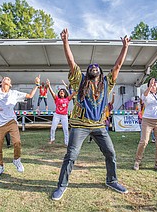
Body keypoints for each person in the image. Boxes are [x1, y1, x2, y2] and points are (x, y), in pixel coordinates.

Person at [51, 28, 131, 201]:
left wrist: (125, 47)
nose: (94, 67)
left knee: (110, 153)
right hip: (80, 125)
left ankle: (112, 180)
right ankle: (62, 186)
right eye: (91, 67)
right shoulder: (79, 80)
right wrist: (65, 42)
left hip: (99, 125)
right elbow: (72, 63)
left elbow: (117, 66)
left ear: (101, 73)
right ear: (87, 72)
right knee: (71, 155)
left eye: (97, 67)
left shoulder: (106, 83)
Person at [0, 75, 40, 180]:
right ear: (1, 83)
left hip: (11, 122)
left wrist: (37, 85)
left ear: (10, 85)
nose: (6, 78)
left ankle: (16, 160)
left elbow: (30, 96)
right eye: (5, 78)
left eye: (9, 79)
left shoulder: (14, 93)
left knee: (17, 142)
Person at [133, 77, 157, 173]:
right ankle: (137, 161)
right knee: (144, 141)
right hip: (147, 120)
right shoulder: (146, 94)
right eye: (151, 84)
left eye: (155, 84)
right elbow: (144, 97)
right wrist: (149, 87)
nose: (153, 85)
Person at [46, 79, 76, 146]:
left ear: (65, 93)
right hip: (57, 115)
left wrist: (77, 87)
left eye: (63, 91)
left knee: (65, 129)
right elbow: (52, 93)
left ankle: (66, 142)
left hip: (64, 116)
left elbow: (74, 93)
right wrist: (49, 86)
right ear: (59, 93)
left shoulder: (67, 99)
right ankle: (52, 139)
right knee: (53, 128)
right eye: (60, 91)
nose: (61, 92)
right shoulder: (57, 99)